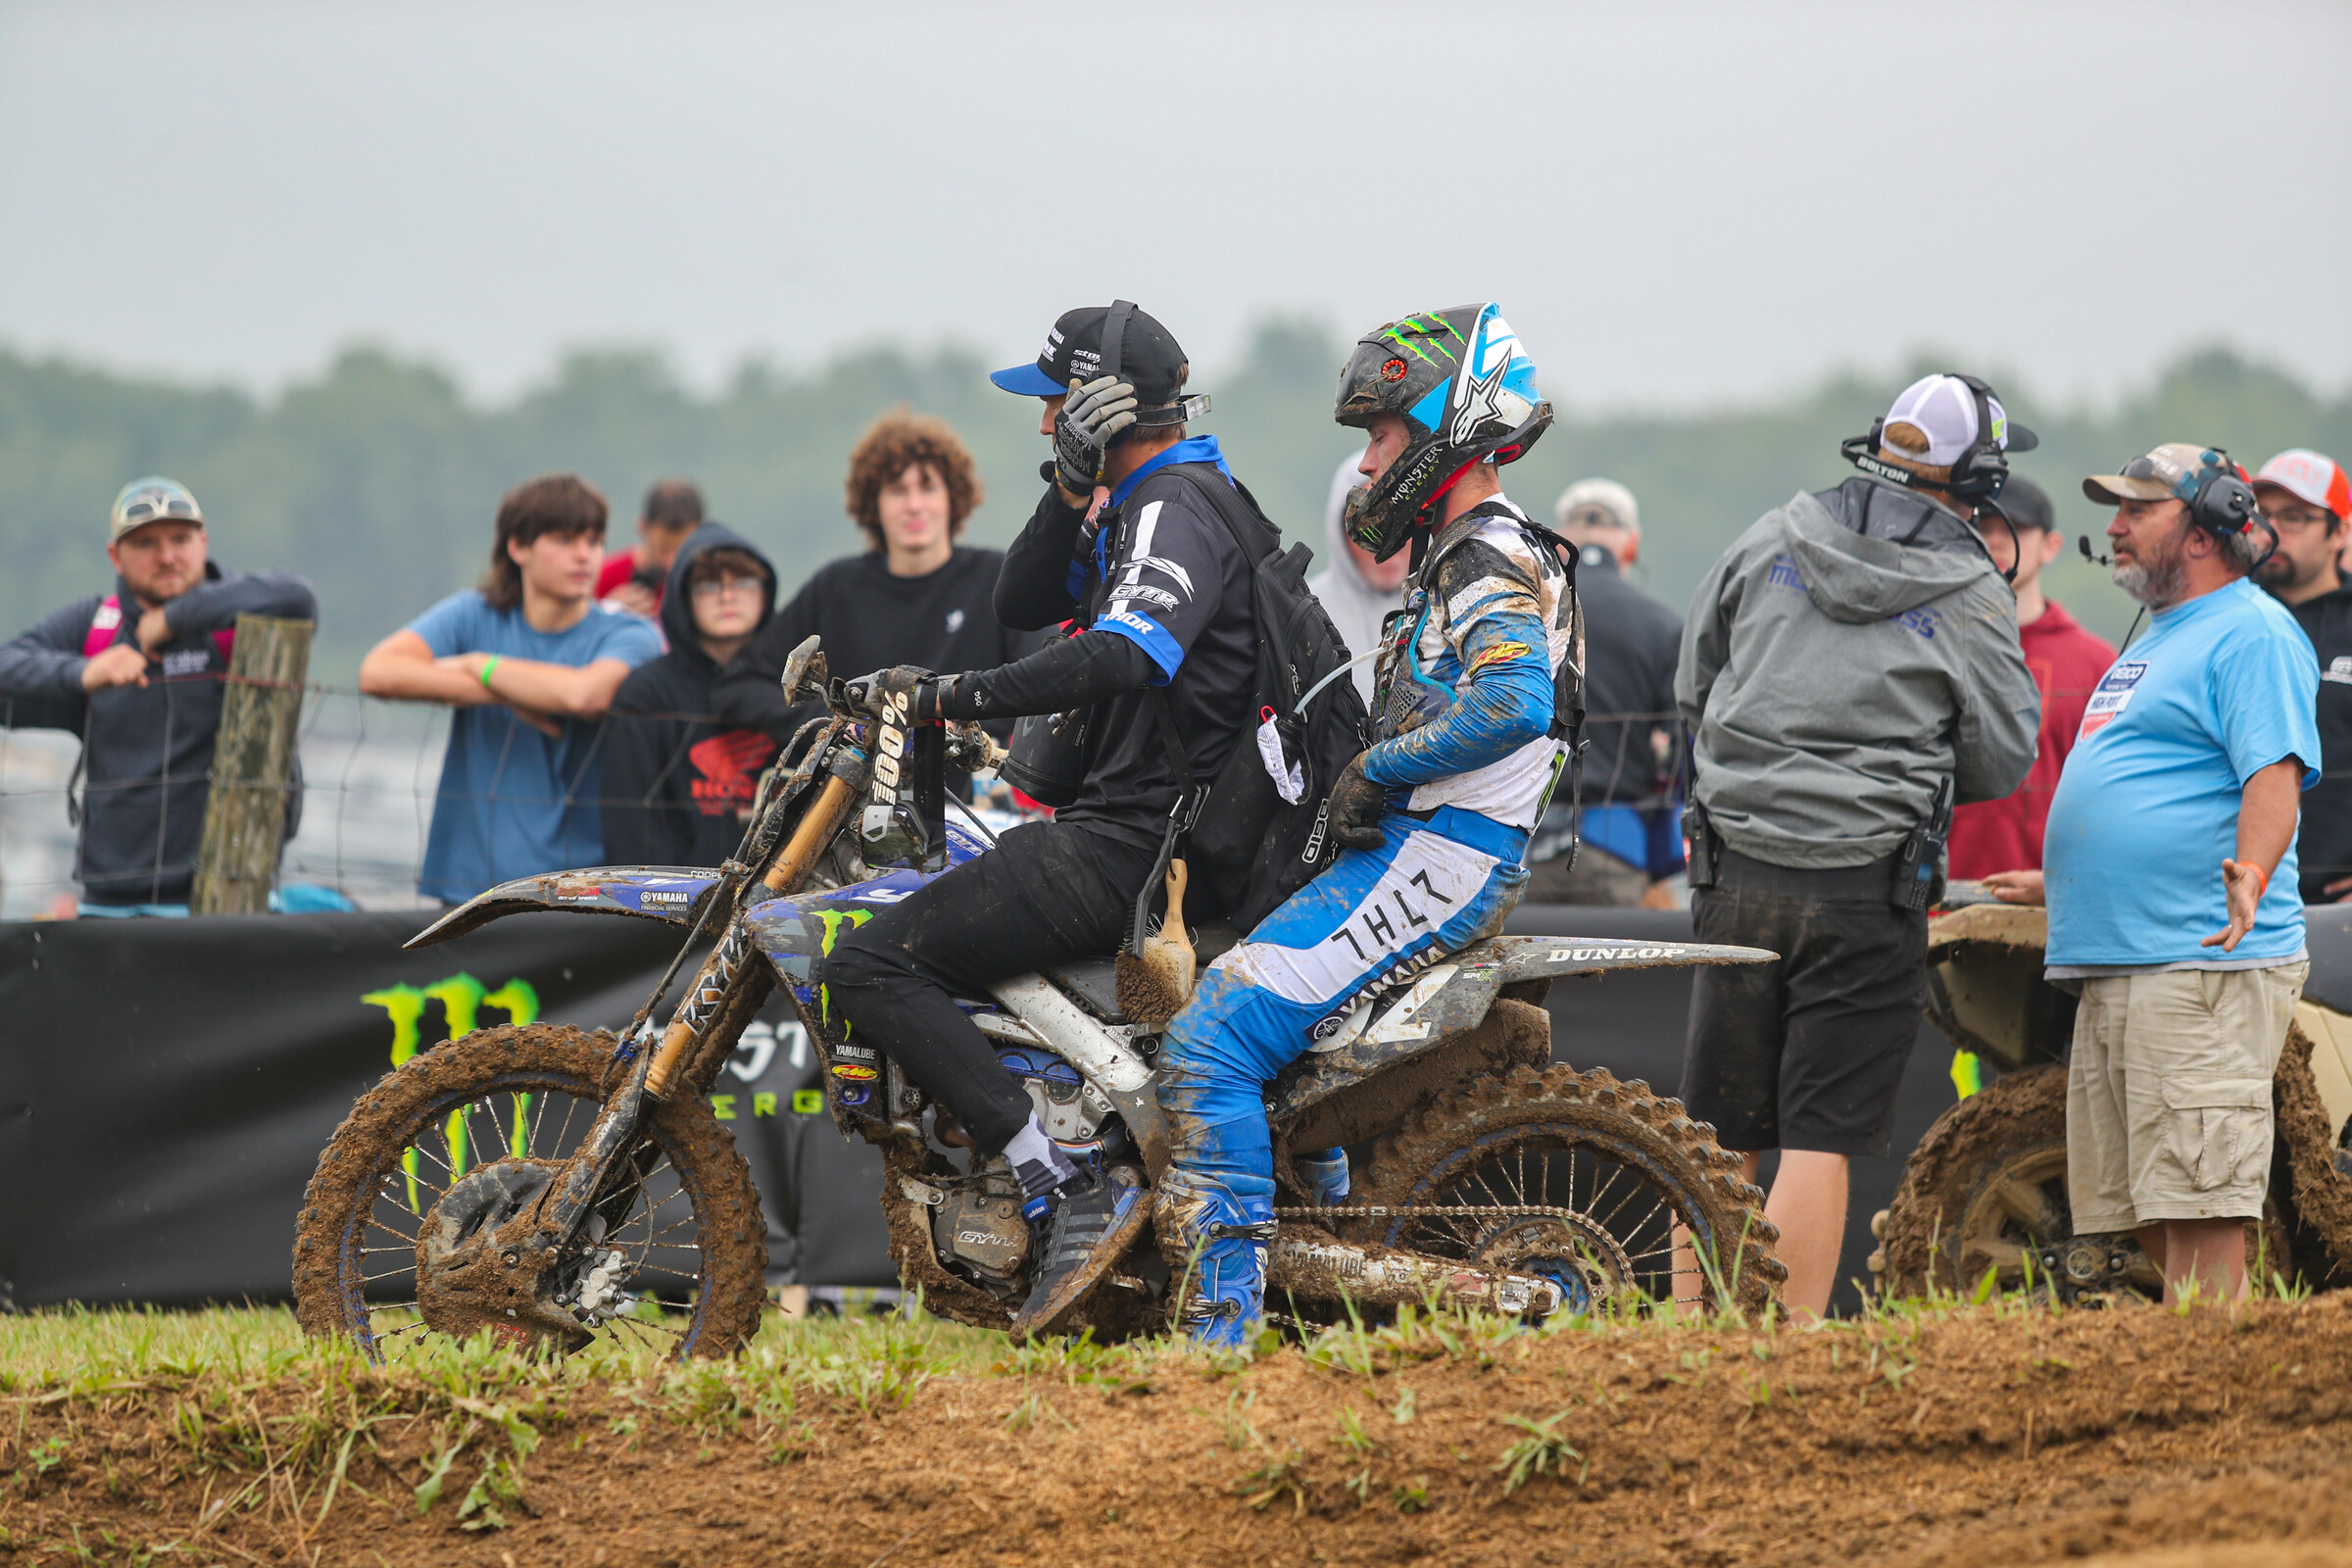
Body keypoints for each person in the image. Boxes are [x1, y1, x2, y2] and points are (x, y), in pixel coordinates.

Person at [817, 303, 1260, 1334]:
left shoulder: (1174, 505)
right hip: (1145, 826)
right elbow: (1023, 593)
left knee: (868, 966)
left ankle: (1056, 1180)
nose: (1044, 416)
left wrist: (946, 696)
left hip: (1139, 840)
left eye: (1059, 402)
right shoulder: (1137, 497)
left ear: (1108, 408)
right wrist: (1071, 478)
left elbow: (1127, 653)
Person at [1153, 302, 1572, 1347]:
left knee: (1211, 1043)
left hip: (1441, 855)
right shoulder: (1469, 551)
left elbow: (1515, 700)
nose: (1373, 462)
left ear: (1444, 428)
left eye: (1382, 436)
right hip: (1423, 849)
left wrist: (1378, 767)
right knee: (1279, 1052)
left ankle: (1221, 1339)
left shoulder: (1485, 558)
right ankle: (1311, 1276)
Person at [1676, 372, 2039, 1318]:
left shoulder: (1769, 536)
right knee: (1817, 1135)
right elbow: (2001, 757)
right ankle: (1783, 1358)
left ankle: (1683, 1344)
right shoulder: (1969, 589)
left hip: (1734, 866)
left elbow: (1695, 678)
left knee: (1713, 1129)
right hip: (1866, 887)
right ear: (1979, 477)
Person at [1986, 444, 2317, 1304]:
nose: (2115, 527)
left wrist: (2251, 868)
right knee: (2158, 1215)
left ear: (2207, 528)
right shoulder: (2163, 638)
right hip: (2131, 962)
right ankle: (2197, 1404)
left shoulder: (2252, 629)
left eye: (2138, 511)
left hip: (2197, 962)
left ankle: (2218, 1418)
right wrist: (2069, 878)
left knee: (2202, 1218)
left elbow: (2271, 774)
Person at [0, 477, 318, 915]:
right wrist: (84, 672)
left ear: (203, 541)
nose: (167, 556)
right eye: (146, 543)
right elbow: (7, 662)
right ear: (115, 556)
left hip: (230, 903)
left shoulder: (240, 614)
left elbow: (299, 597)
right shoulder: (94, 626)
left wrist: (174, 618)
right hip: (108, 905)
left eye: (181, 539)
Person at [359, 473, 662, 904]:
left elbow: (586, 695)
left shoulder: (631, 633)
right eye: (564, 540)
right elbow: (378, 671)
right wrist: (501, 691)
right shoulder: (473, 614)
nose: (585, 556)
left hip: (583, 891)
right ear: (518, 547)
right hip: (470, 886)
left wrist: (478, 664)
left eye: (595, 541)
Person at [711, 410, 1029, 793]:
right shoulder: (835, 586)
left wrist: (964, 737)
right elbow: (742, 684)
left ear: (954, 496)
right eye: (897, 490)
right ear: (873, 502)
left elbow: (1038, 683)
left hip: (973, 802)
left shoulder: (999, 579)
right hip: (848, 803)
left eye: (927, 487)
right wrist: (837, 723)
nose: (914, 505)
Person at [1945, 476, 2119, 879]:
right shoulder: (1931, 643)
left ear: (2051, 546)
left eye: (2014, 528)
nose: (1995, 540)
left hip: (2051, 903)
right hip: (1937, 898)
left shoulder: (2095, 662)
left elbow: (2111, 797)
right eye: (1981, 527)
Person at [1525, 477, 1685, 906]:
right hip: (1616, 847)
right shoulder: (1663, 625)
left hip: (1522, 839)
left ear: (1558, 547)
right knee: (1614, 972)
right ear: (1630, 547)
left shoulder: (1524, 620)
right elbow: (1680, 750)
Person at [601, 523, 779, 865]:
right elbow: (631, 826)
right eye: (709, 585)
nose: (727, 596)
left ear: (765, 592)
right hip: (672, 899)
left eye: (742, 582)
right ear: (683, 597)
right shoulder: (645, 695)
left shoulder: (791, 687)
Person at [2246, 449, 2352, 902]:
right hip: (2234, 897)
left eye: (2293, 517)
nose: (2272, 531)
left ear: (2339, 532)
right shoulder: (2232, 619)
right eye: (2261, 515)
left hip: (2334, 906)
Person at [1305, 451, 1409, 701]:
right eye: (1368, 527)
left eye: (1401, 521)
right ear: (1339, 530)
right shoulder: (1305, 616)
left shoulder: (1454, 609)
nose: (1386, 545)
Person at [596, 480, 705, 618]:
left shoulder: (705, 584)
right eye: (663, 549)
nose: (671, 563)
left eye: (683, 551)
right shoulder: (600, 577)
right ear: (642, 527)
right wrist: (606, 612)